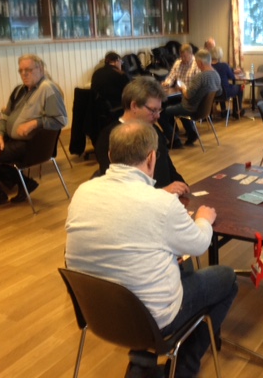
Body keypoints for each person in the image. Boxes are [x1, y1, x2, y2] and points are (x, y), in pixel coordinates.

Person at [66, 121, 238, 378]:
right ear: (151, 158)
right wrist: (203, 219)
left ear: (111, 156)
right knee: (227, 278)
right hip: (152, 321)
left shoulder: (82, 192)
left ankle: (143, 364)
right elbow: (200, 243)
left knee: (179, 266)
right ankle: (183, 369)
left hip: (97, 314)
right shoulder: (161, 203)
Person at [0, 54, 67, 207]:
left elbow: (60, 120)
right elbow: (5, 117)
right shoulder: (19, 90)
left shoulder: (48, 89)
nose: (24, 74)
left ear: (40, 69)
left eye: (28, 70)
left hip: (31, 146)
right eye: (21, 71)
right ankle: (25, 183)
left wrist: (34, 123)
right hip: (13, 141)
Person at [94, 76, 188, 195]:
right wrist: (162, 193)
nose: (158, 116)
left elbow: (168, 169)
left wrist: (184, 187)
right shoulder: (109, 138)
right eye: (153, 110)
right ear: (134, 106)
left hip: (166, 198)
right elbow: (118, 188)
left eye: (159, 110)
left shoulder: (153, 130)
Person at [159, 49, 222, 148]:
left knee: (161, 115)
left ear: (200, 63)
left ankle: (175, 141)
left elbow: (188, 95)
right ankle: (191, 133)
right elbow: (219, 92)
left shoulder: (200, 77)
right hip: (204, 110)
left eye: (196, 62)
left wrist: (182, 88)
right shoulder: (216, 75)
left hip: (191, 108)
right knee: (176, 105)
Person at [90, 51, 130, 116]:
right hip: (115, 107)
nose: (121, 64)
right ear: (116, 61)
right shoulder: (120, 74)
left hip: (97, 109)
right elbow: (129, 92)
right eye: (121, 62)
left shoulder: (96, 73)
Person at [211, 46, 244, 118]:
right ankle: (237, 110)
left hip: (212, 94)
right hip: (224, 92)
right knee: (239, 87)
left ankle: (224, 110)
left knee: (220, 85)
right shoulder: (224, 65)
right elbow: (232, 77)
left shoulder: (208, 66)